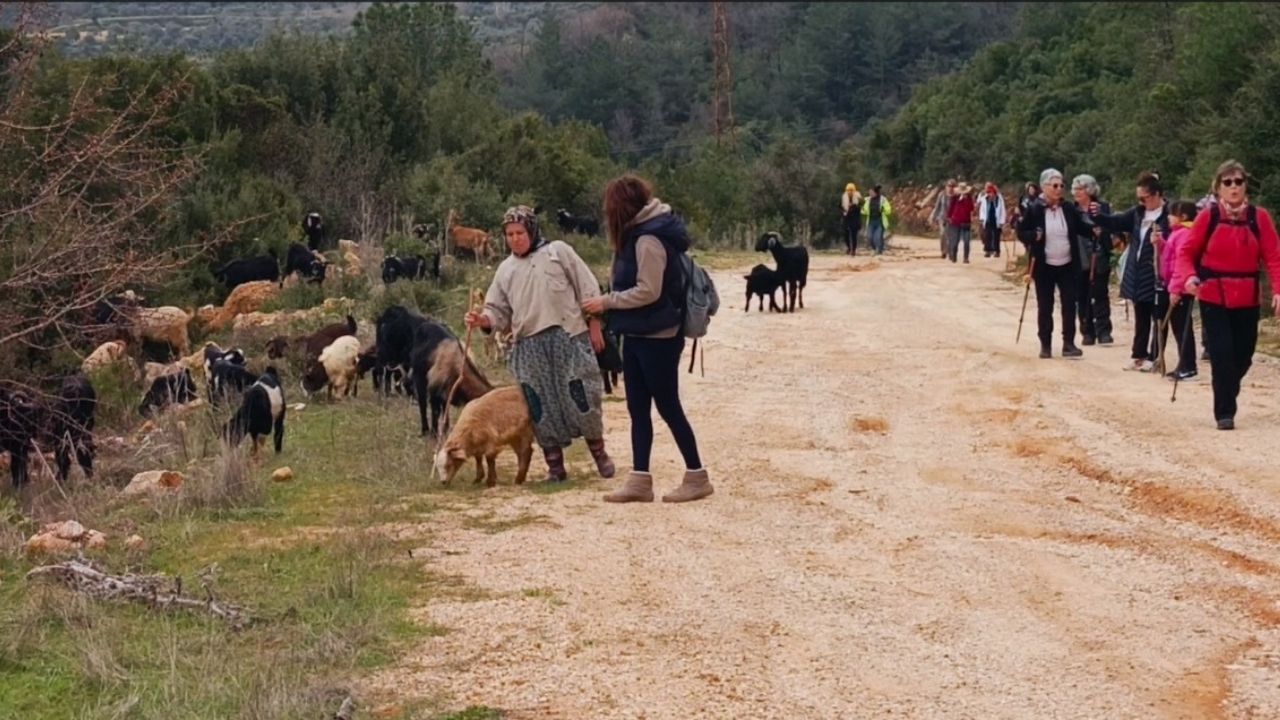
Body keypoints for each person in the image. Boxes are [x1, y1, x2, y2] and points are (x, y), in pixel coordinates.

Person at [581, 174, 712, 503]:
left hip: (659, 335)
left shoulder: (648, 240)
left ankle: (697, 476)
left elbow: (648, 291)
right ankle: (640, 480)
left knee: (668, 407)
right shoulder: (639, 235)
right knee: (637, 408)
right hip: (639, 332)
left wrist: (607, 301)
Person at [465, 205, 615, 483]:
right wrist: (482, 320)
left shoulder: (559, 252)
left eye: (520, 232)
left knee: (582, 396)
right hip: (530, 345)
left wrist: (594, 322)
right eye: (509, 234)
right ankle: (555, 467)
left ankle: (599, 455)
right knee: (539, 405)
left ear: (531, 230)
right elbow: (497, 311)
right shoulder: (506, 270)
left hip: (568, 337)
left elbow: (587, 287)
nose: (515, 239)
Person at [1171, 160, 1280, 430]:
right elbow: (1187, 253)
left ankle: (1226, 388)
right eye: (1227, 182)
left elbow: (1274, 257)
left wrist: (1279, 290)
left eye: (1238, 182)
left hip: (1247, 296)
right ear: (1218, 187)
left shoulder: (1259, 217)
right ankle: (1224, 412)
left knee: (1243, 354)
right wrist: (1188, 277)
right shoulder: (1208, 217)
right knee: (1221, 353)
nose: (1233, 187)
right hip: (1213, 295)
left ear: (1245, 186)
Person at [1089, 171, 1170, 371]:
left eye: (1145, 198)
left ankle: (1155, 355)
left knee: (1158, 316)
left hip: (1159, 272)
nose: (1142, 202)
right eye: (1139, 198)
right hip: (1137, 271)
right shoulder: (1137, 213)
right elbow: (1115, 222)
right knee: (1140, 315)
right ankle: (1138, 354)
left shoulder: (1169, 215)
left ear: (1157, 194)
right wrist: (1098, 216)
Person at [1017, 168, 1093, 359]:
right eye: (1055, 185)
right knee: (1045, 306)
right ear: (1044, 187)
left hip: (1067, 264)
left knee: (1069, 304)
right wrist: (1033, 236)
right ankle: (1046, 344)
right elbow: (1021, 231)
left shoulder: (1067, 208)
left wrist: (1096, 229)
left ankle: (1069, 343)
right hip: (1044, 266)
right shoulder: (1034, 209)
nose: (1059, 189)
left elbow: (1081, 227)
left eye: (1061, 185)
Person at [1069, 174, 1116, 346]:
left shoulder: (1102, 207)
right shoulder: (1072, 209)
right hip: (1079, 255)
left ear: (1089, 190)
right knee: (1081, 295)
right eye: (1075, 189)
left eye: (1080, 189)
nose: (1076, 192)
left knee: (1100, 292)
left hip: (1099, 254)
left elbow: (1112, 226)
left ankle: (1104, 331)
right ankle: (1087, 331)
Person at [1158, 200, 1200, 381]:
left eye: (1172, 214)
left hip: (1182, 287)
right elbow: (1169, 255)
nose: (1168, 217)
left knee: (1182, 327)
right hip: (1175, 285)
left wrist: (1175, 289)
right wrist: (1160, 243)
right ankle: (1184, 363)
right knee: (1178, 326)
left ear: (1182, 217)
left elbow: (1180, 264)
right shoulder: (1177, 233)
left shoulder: (1185, 233)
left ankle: (1188, 366)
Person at [947, 182, 976, 263]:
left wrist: (966, 199)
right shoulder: (955, 198)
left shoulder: (969, 198)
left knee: (967, 241)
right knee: (955, 241)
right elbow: (951, 207)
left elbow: (971, 208)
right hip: (955, 221)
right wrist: (949, 217)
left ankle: (966, 258)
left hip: (966, 222)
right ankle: (954, 256)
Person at [862, 185, 893, 255]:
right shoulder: (868, 200)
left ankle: (879, 250)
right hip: (871, 221)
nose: (869, 194)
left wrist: (883, 209)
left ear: (875, 192)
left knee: (877, 237)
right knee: (869, 237)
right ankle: (874, 248)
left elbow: (889, 210)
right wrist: (863, 210)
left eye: (871, 192)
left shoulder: (883, 200)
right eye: (869, 192)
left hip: (880, 221)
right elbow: (864, 210)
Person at [978, 182, 1006, 259]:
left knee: (996, 236)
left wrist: (1001, 221)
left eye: (991, 193)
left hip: (996, 220)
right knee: (987, 235)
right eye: (989, 193)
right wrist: (982, 219)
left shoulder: (999, 200)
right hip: (987, 220)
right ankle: (988, 250)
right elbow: (982, 210)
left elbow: (1002, 210)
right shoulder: (984, 199)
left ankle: (997, 251)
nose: (990, 195)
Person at [931, 179, 956, 259]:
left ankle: (950, 251)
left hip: (953, 218)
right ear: (946, 187)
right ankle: (943, 251)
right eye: (949, 186)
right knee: (943, 234)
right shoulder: (942, 195)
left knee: (951, 235)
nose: (951, 188)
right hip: (942, 218)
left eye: (953, 186)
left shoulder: (956, 196)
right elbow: (937, 207)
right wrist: (933, 217)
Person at [840, 183, 863, 256]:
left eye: (851, 190)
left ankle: (853, 250)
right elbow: (840, 206)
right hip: (846, 218)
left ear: (854, 191)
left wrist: (853, 206)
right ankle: (849, 247)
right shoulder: (844, 197)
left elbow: (860, 207)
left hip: (855, 219)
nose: (850, 192)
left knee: (854, 235)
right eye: (848, 190)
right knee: (845, 235)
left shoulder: (858, 198)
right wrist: (843, 211)